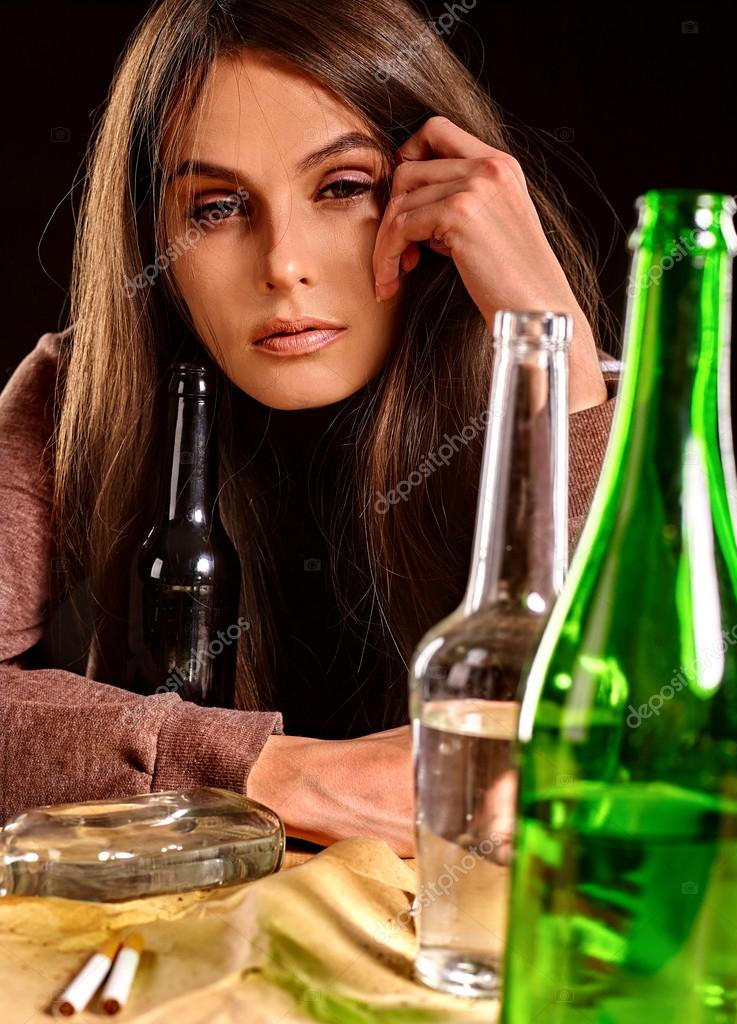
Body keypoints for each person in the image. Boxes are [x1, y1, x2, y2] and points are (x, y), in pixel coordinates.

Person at [0, 0, 619, 856]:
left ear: (436, 200)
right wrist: (278, 776)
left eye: (341, 188)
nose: (283, 263)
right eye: (216, 207)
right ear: (155, 237)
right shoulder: (79, 395)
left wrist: (554, 344)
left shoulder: (577, 405)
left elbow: (645, 740)